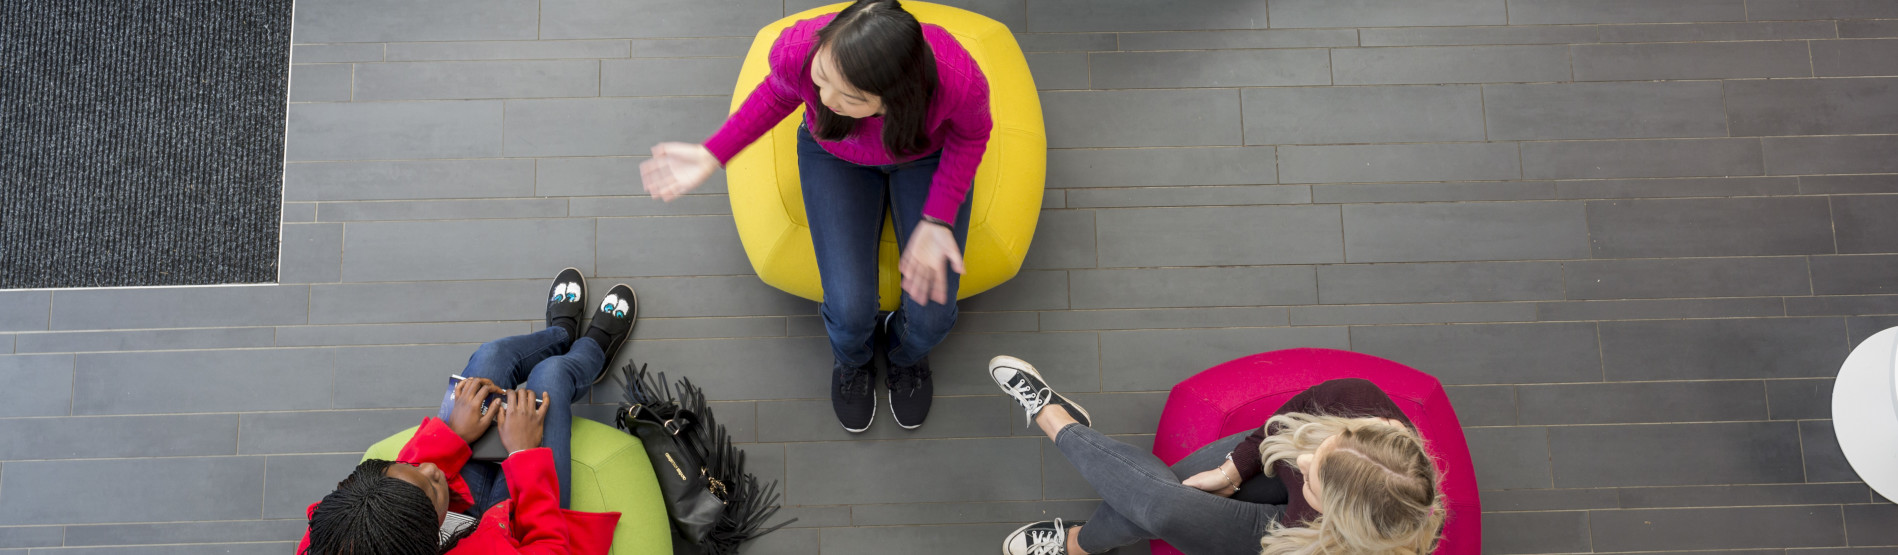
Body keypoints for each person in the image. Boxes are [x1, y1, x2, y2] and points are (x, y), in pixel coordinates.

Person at [639, 0, 993, 433]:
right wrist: (714, 152)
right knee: (848, 312)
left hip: (924, 156)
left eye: (850, 97)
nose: (824, 98)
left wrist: (938, 218)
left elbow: (972, 135)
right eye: (822, 80)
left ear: (896, 97)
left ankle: (905, 355)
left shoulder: (956, 79)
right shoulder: (801, 51)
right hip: (834, 155)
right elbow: (778, 93)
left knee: (933, 316)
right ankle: (854, 361)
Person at [298, 268, 638, 554]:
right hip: (517, 537)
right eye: (432, 485)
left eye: (409, 466)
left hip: (456, 510)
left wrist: (452, 436)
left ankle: (560, 335)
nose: (432, 468)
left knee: (490, 359)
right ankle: (592, 353)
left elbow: (422, 472)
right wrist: (523, 453)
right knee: (552, 378)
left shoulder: (331, 533)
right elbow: (547, 545)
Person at [986, 355, 1445, 555]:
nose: (1303, 463)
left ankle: (1053, 418)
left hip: (1295, 540)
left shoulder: (1345, 542)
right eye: (1321, 452)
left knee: (1162, 507)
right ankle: (1082, 539)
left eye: (1314, 480)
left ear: (1341, 516)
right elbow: (1282, 428)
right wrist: (1232, 471)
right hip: (1265, 460)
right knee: (1163, 499)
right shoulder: (1354, 399)